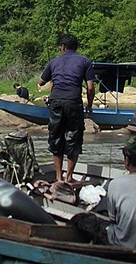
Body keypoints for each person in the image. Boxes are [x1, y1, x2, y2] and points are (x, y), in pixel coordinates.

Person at [38, 34, 95, 184]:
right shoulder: (85, 61)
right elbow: (90, 88)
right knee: (74, 137)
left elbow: (41, 82)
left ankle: (58, 177)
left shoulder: (53, 62)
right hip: (73, 101)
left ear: (62, 47)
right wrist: (89, 106)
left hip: (55, 100)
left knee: (55, 137)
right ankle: (69, 177)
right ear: (76, 47)